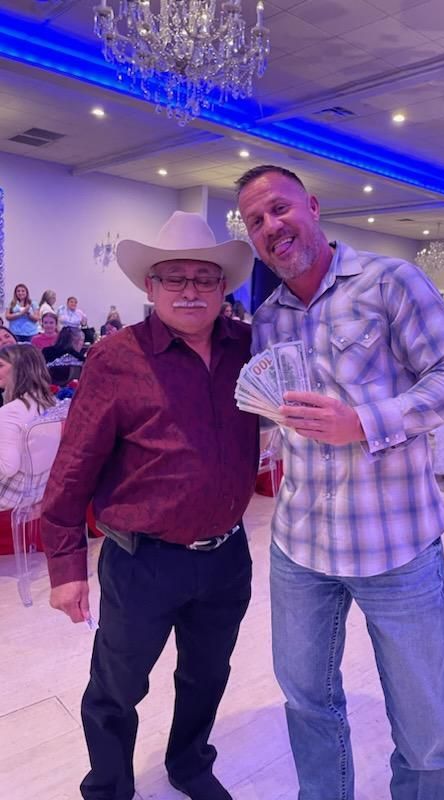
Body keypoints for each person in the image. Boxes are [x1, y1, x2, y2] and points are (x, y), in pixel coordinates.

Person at [236, 165, 444, 800]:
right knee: (306, 702)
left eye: (280, 209)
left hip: (395, 546)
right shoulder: (269, 318)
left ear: (312, 207)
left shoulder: (390, 280)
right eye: (255, 221)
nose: (271, 227)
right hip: (300, 549)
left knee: (426, 729)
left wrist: (365, 422)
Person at [41, 211, 258, 800]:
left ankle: (189, 765)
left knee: (208, 676)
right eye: (174, 278)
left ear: (222, 288)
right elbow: (72, 466)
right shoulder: (116, 357)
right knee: (116, 685)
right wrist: (65, 568)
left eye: (204, 278)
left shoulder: (247, 347)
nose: (190, 290)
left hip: (226, 557)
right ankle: (109, 787)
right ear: (150, 287)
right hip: (141, 562)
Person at [0, 345, 56, 510]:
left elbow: (7, 467)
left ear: (19, 369)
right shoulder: (51, 403)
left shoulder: (10, 412)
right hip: (38, 495)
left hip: (9, 501)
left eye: (1, 366)